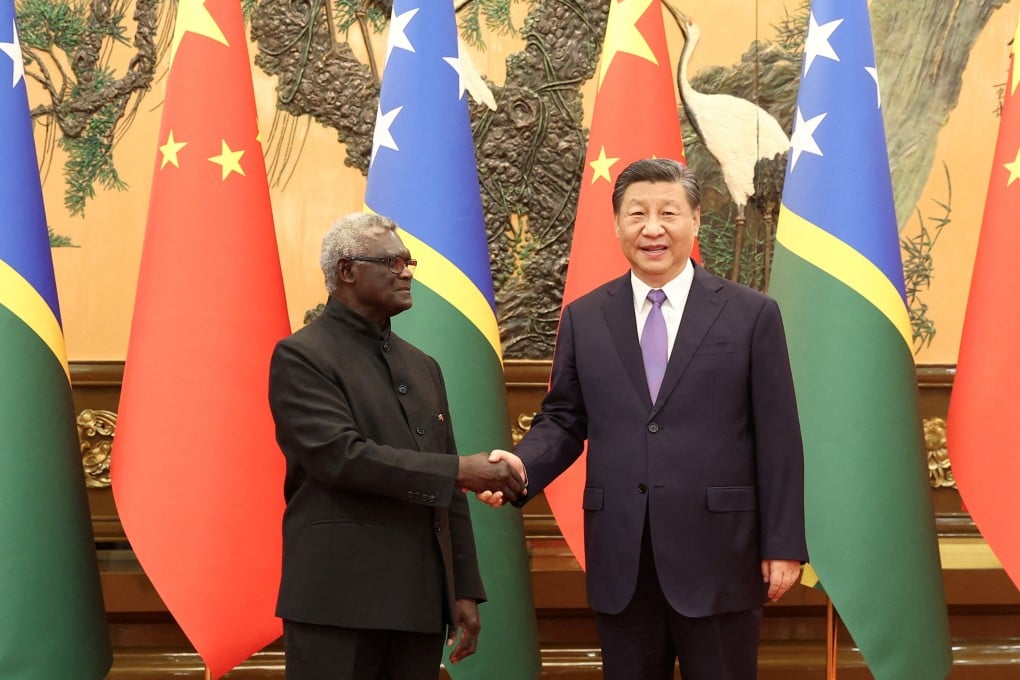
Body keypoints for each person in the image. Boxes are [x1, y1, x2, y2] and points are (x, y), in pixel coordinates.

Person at [485, 159, 807, 679]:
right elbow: (565, 419)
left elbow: (779, 437)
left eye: (668, 213)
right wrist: (520, 467)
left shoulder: (751, 315)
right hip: (624, 560)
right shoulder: (586, 317)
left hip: (721, 555)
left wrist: (784, 544)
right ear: (616, 226)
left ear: (696, 220)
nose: (652, 228)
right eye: (637, 214)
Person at [268, 212, 525, 680]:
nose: (406, 272)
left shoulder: (423, 366)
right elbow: (340, 458)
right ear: (347, 271)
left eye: (409, 261)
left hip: (418, 602)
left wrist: (462, 589)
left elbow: (448, 489)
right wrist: (459, 470)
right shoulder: (301, 356)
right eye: (391, 262)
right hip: (337, 604)